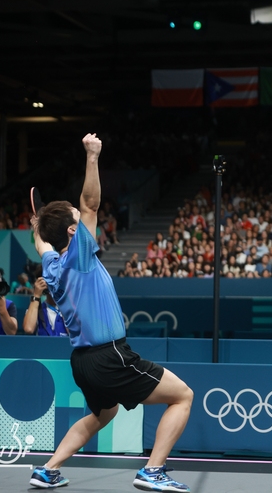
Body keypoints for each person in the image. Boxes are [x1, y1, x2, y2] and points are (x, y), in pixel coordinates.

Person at [28, 134, 193, 492]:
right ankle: (152, 470)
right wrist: (92, 156)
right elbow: (90, 204)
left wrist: (39, 227)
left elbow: (41, 243)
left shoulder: (52, 265)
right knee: (183, 396)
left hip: (82, 361)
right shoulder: (80, 257)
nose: (85, 221)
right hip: (109, 355)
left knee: (105, 413)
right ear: (74, 231)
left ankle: (48, 469)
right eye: (77, 220)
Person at [22, 265, 68, 337]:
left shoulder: (71, 308)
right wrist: (36, 295)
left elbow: (75, 334)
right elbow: (28, 329)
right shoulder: (36, 308)